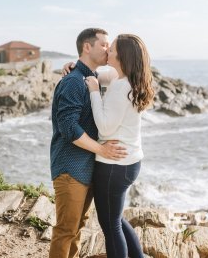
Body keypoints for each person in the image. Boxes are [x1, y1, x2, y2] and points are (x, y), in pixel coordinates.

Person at [49, 28, 128, 258]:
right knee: (66, 230)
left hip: (86, 167)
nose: (108, 49)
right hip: (70, 168)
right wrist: (102, 149)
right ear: (87, 47)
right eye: (104, 44)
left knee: (77, 228)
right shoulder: (74, 82)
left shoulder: (90, 77)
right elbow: (68, 129)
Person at [84, 34, 154, 258]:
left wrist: (94, 91)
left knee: (110, 225)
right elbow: (103, 74)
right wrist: (83, 69)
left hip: (113, 166)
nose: (108, 52)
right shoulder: (130, 80)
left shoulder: (120, 87)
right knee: (116, 219)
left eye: (112, 50)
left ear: (122, 56)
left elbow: (104, 128)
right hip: (130, 162)